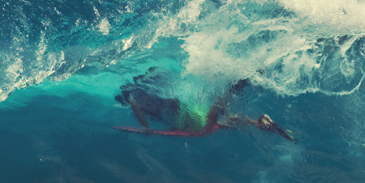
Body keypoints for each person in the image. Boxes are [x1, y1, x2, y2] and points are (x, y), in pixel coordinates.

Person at [115, 70, 295, 140]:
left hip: (197, 121)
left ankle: (243, 81)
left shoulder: (142, 101)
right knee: (226, 116)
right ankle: (258, 121)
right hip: (197, 119)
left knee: (221, 108)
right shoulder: (149, 100)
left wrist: (145, 127)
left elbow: (135, 104)